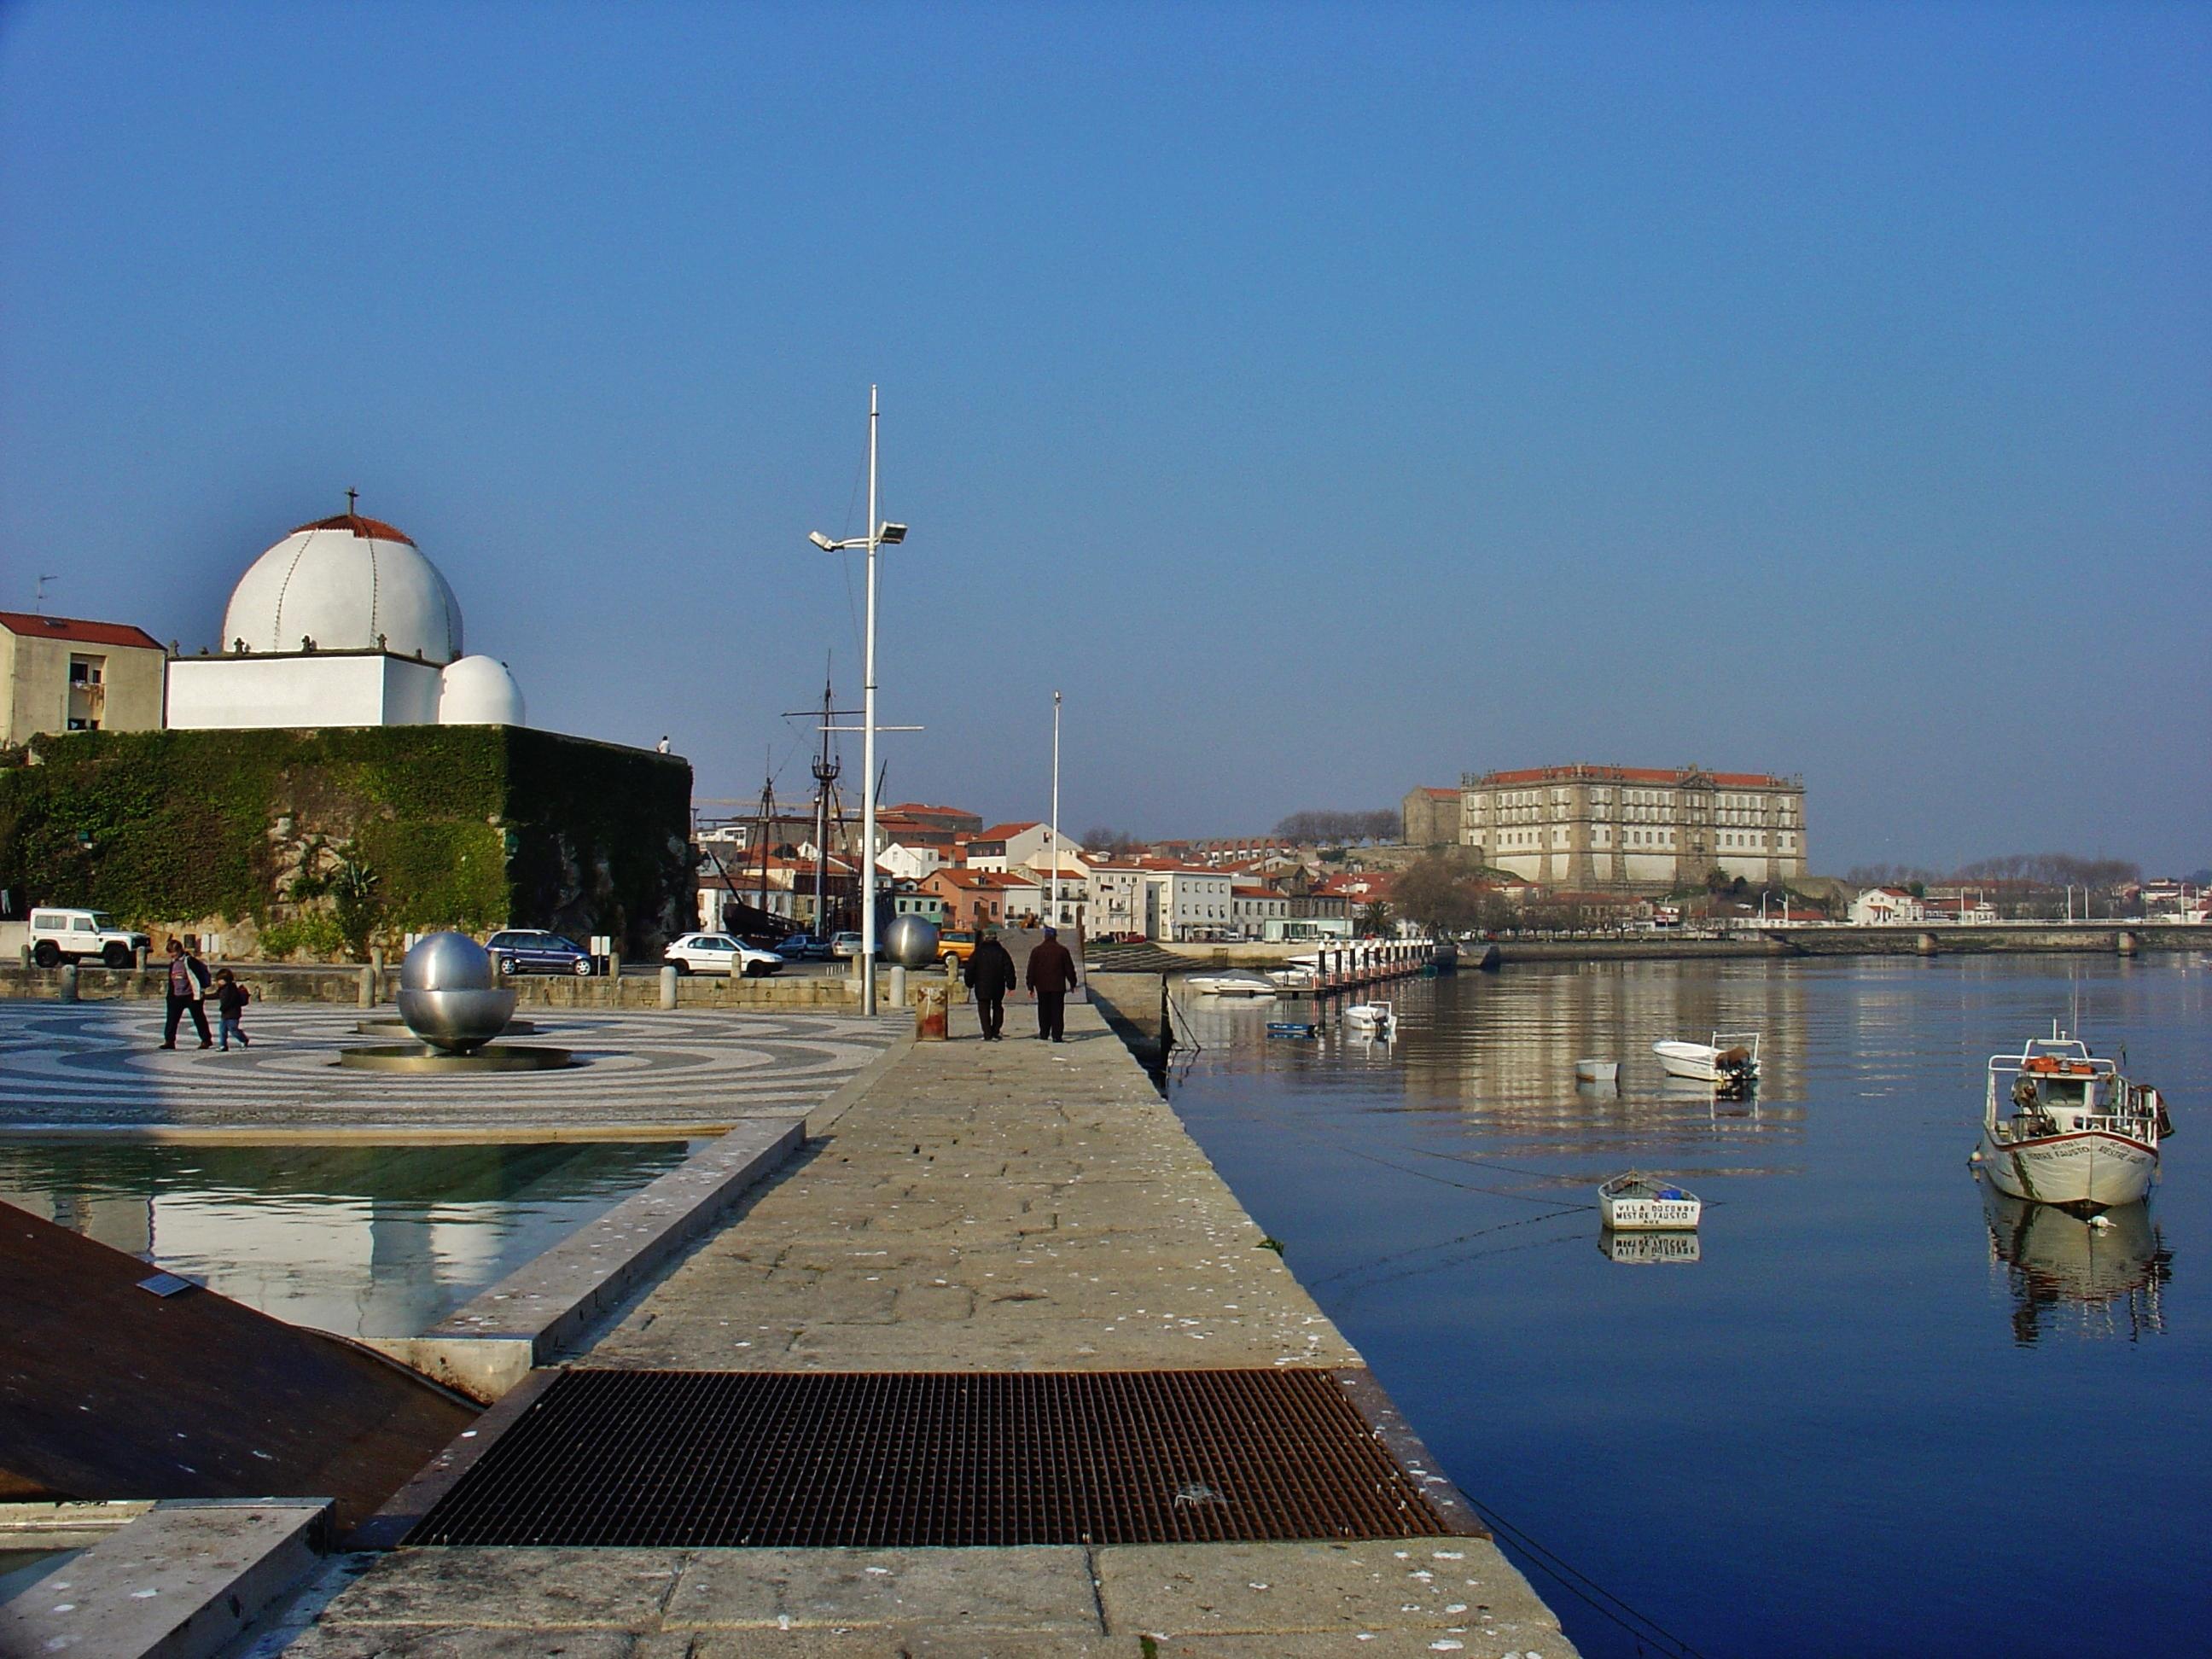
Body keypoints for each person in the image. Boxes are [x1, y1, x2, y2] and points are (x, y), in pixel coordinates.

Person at [1026, 924, 1079, 1042]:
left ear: (1045, 936)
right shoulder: (1063, 951)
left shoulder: (1037, 951)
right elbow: (1069, 969)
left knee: (1043, 1009)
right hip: (1058, 986)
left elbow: (1031, 970)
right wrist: (1073, 983)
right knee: (1057, 1011)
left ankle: (1044, 1034)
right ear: (1055, 937)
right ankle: (1057, 1036)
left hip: (1042, 986)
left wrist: (1030, 986)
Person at [964, 927, 1016, 1041]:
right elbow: (1009, 969)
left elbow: (970, 968)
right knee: (998, 1007)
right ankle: (995, 1031)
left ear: (984, 938)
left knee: (983, 1008)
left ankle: (987, 1033)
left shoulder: (977, 952)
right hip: (998, 985)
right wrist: (1011, 985)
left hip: (982, 985)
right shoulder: (1002, 952)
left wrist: (969, 982)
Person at [160, 937, 212, 1050]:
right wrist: (170, 996)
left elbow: (199, 977)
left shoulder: (190, 961)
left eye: (174, 954)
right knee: (172, 1019)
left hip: (191, 995)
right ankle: (169, 1041)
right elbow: (172, 980)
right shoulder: (173, 964)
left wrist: (200, 992)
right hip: (176, 996)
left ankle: (206, 1040)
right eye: (171, 955)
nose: (172, 957)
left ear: (179, 950)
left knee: (198, 1018)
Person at [213, 968, 252, 1051]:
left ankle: (243, 1040)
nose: (218, 982)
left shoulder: (232, 989)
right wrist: (204, 996)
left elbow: (230, 1001)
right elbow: (216, 995)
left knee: (233, 1028)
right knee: (222, 1030)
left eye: (220, 980)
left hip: (233, 1013)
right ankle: (223, 1045)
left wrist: (223, 1007)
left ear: (225, 980)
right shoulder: (222, 989)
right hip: (225, 1014)